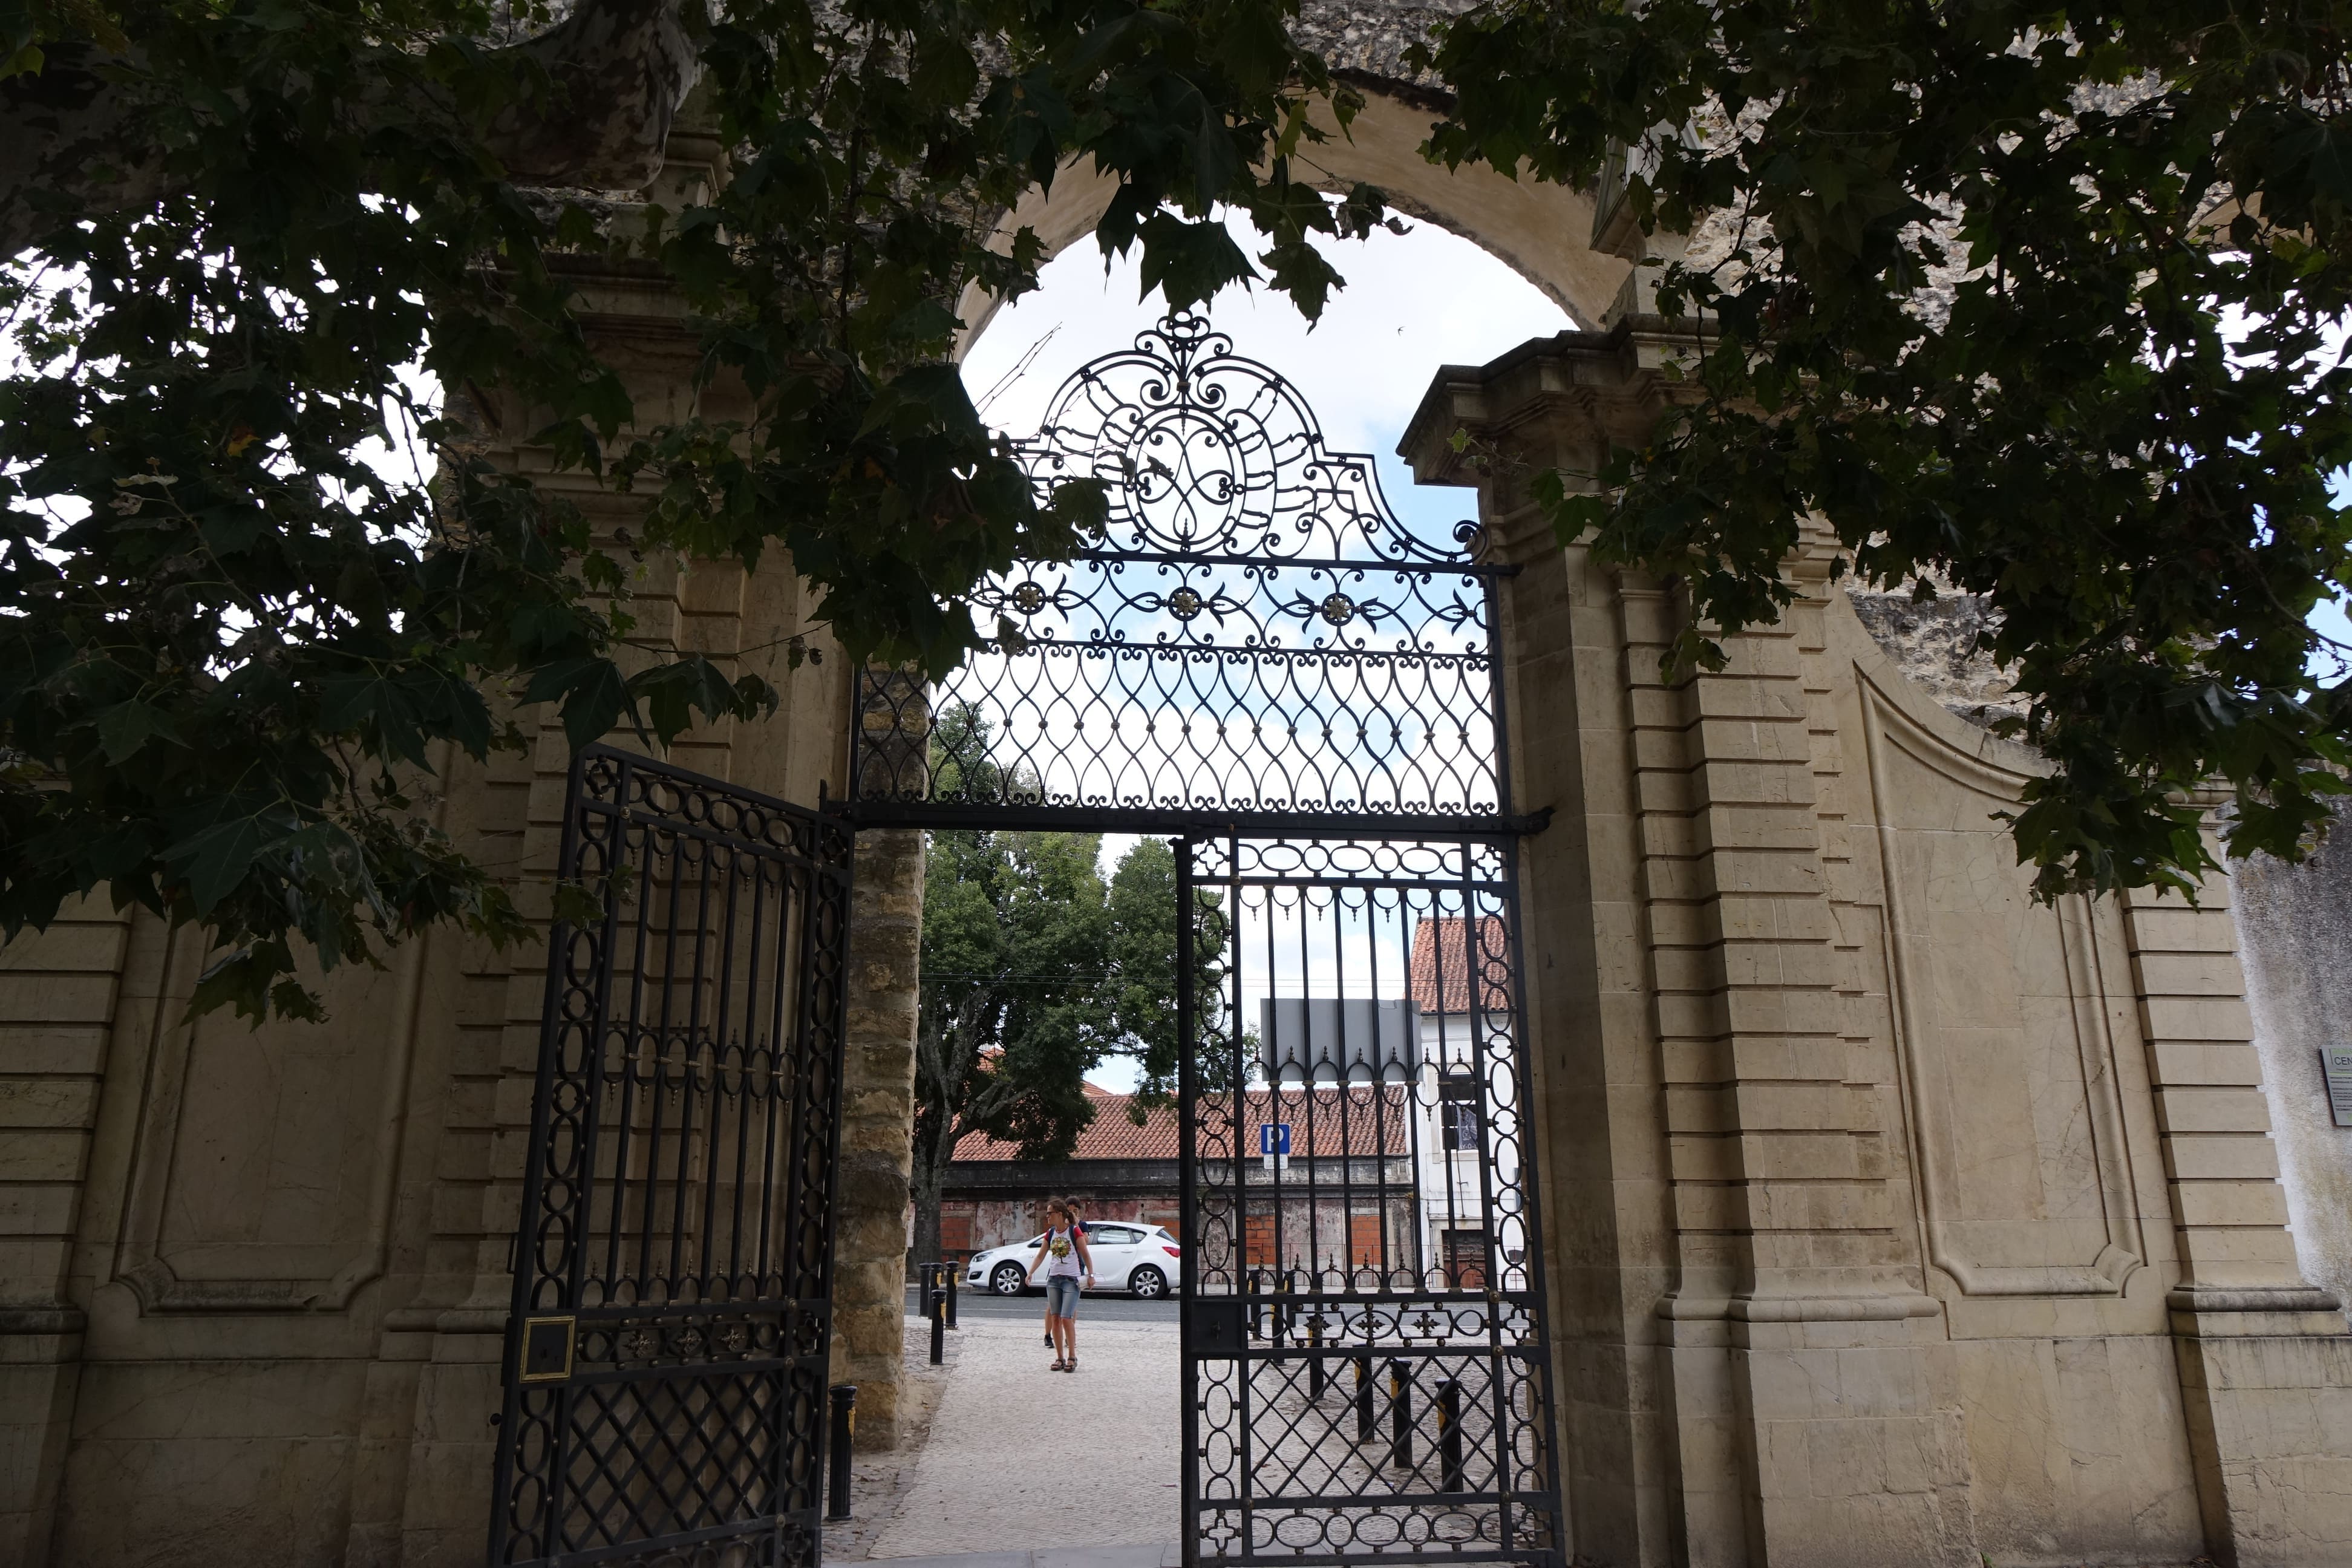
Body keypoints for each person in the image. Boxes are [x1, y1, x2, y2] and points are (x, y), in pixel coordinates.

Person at [1025, 1201, 1094, 1372]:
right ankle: (1059, 1357)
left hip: (1071, 1279)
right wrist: (1030, 1272)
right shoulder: (1050, 1233)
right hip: (1054, 1280)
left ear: (1060, 1214)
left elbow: (1085, 1253)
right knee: (1055, 1317)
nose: (1047, 1216)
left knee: (1066, 1317)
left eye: (1050, 1213)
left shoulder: (1074, 1230)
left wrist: (1091, 1275)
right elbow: (1041, 1255)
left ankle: (1072, 1356)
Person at [1041, 1203, 1085, 1346]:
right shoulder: (1053, 1231)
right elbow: (1041, 1254)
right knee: (1054, 1310)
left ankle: (1070, 1345)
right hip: (1056, 1272)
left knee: (1068, 1311)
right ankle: (1049, 1335)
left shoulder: (1078, 1227)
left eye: (1075, 1211)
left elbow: (1085, 1244)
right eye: (1070, 1210)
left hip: (1073, 1271)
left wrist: (1076, 1224)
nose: (1072, 1213)